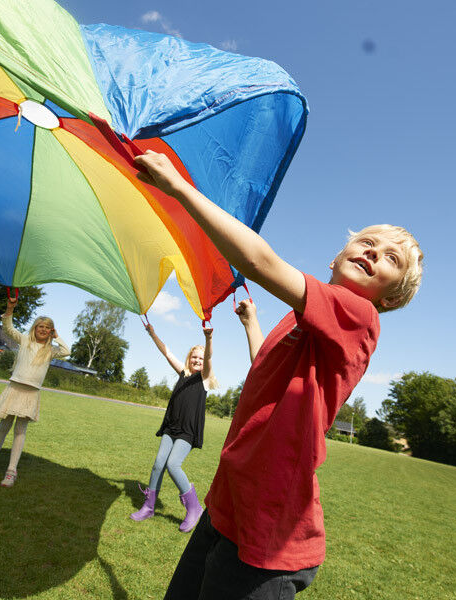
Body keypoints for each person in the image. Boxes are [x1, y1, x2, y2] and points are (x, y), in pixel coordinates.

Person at [134, 150, 424, 600]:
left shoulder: (360, 314)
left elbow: (260, 263)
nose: (373, 252)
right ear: (336, 256)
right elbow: (264, 376)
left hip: (268, 532)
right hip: (229, 503)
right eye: (367, 241)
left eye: (390, 259)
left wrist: (180, 189)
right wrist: (252, 325)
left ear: (389, 297)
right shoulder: (300, 321)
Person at [130, 322, 217, 533]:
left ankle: (194, 507)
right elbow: (166, 352)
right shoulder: (183, 373)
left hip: (188, 431)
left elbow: (209, 358)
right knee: (159, 463)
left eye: (200, 357)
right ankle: (149, 507)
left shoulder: (204, 378)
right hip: (171, 426)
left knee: (173, 464)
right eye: (194, 356)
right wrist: (152, 333)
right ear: (189, 358)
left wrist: (208, 339)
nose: (197, 360)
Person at [0, 296, 69, 487]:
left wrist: (57, 336)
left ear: (50, 331)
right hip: (15, 387)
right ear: (35, 328)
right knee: (4, 426)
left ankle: (11, 471)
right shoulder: (25, 340)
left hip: (31, 393)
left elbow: (66, 351)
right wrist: (9, 309)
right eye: (40, 327)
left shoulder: (51, 350)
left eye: (47, 328)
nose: (43, 330)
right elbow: (8, 329)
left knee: (20, 431)